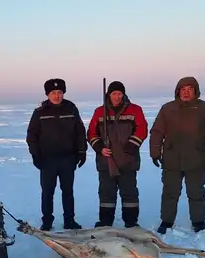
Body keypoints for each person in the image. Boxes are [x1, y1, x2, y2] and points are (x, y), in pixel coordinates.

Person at [148, 77, 205, 234]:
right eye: (183, 89)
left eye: (190, 89)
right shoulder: (167, 109)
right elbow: (157, 131)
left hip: (196, 157)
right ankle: (167, 221)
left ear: (196, 92)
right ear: (178, 91)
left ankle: (198, 221)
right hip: (172, 157)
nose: (186, 92)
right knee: (170, 191)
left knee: (196, 191)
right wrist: (155, 152)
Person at [26, 78, 88, 231]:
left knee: (68, 191)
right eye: (53, 93)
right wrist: (36, 155)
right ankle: (47, 221)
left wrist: (81, 151)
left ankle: (69, 220)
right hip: (47, 160)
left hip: (68, 158)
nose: (56, 96)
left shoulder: (71, 109)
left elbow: (80, 132)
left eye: (59, 92)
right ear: (48, 94)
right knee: (47, 192)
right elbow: (31, 136)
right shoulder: (40, 112)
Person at [86, 81, 148, 228]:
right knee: (106, 193)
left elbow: (142, 129)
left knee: (129, 193)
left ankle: (131, 223)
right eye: (114, 93)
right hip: (106, 161)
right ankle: (106, 223)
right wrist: (100, 148)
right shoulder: (99, 112)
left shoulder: (135, 110)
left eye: (120, 93)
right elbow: (91, 133)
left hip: (128, 160)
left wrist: (132, 145)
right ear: (109, 95)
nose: (117, 96)